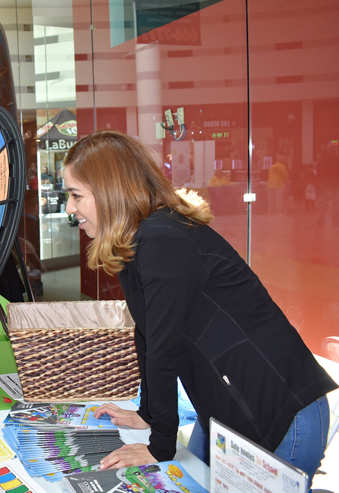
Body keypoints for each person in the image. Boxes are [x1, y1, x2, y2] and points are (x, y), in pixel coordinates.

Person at [62, 131, 336, 486]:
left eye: (76, 195)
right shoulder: (140, 238)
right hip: (227, 411)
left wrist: (160, 444)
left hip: (277, 411)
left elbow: (163, 348)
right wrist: (148, 415)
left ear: (111, 191)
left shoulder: (162, 239)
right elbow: (146, 333)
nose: (69, 208)